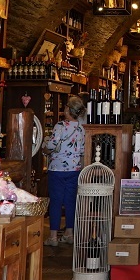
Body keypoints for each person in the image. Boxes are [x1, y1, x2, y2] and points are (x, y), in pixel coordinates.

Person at [43, 95, 86, 247]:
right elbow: (82, 150)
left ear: (68, 109)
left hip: (57, 169)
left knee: (56, 202)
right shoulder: (81, 128)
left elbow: (51, 145)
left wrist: (44, 147)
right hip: (74, 169)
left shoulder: (60, 126)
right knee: (70, 201)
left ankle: (53, 237)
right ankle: (69, 233)